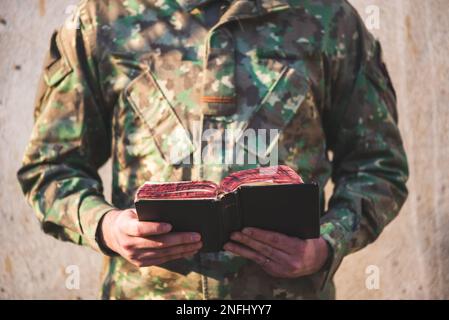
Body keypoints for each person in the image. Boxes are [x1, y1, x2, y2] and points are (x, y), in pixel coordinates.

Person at [18, 0, 409, 299]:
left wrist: (326, 245)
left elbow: (378, 167)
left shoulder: (327, 19)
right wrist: (108, 227)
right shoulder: (105, 20)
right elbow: (52, 168)